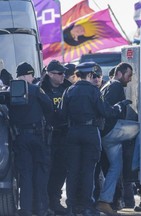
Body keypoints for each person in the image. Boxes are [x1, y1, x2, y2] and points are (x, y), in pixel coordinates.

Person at [59, 62, 131, 216]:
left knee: (72, 172)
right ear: (90, 75)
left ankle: (71, 206)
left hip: (73, 133)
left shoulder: (69, 90)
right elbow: (105, 111)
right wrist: (119, 106)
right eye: (95, 75)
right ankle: (86, 206)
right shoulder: (93, 91)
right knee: (88, 171)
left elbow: (61, 116)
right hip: (90, 133)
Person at [9, 62, 53, 216]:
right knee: (40, 172)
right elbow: (49, 107)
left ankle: (26, 209)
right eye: (32, 75)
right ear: (28, 74)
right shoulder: (35, 89)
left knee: (25, 174)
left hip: (19, 138)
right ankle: (40, 208)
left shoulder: (8, 91)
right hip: (37, 137)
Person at [96, 62, 140, 216]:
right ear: (120, 74)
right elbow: (109, 111)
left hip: (104, 134)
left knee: (116, 166)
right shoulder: (115, 86)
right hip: (112, 130)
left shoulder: (105, 85)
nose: (130, 79)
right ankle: (136, 168)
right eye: (129, 75)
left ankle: (104, 201)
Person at [39, 60, 72, 215]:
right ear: (50, 74)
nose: (62, 76)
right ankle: (44, 203)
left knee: (61, 171)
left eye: (63, 73)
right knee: (46, 171)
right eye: (59, 73)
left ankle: (55, 201)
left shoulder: (67, 88)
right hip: (47, 136)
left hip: (64, 135)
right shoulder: (40, 88)